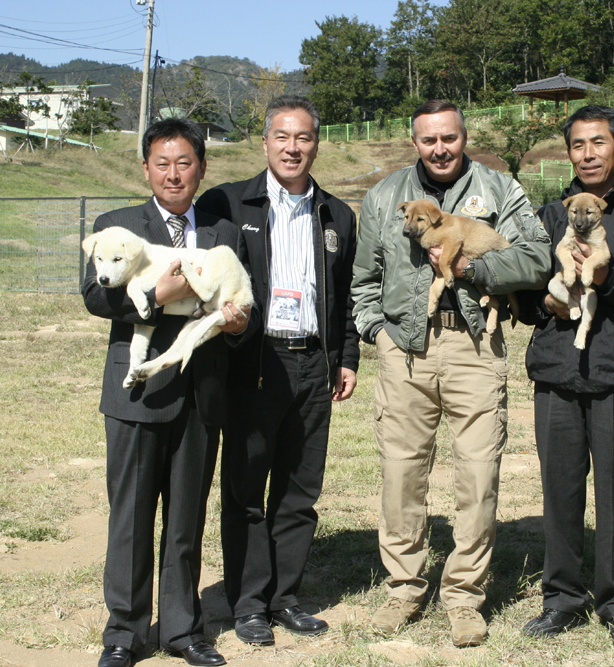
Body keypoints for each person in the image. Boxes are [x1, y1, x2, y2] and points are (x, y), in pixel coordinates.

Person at [350, 99, 551, 647]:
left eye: (449, 138)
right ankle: (404, 588)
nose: (440, 148)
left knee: (478, 474)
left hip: (474, 346)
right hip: (406, 351)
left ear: (464, 137)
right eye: (428, 139)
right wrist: (379, 333)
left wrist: (471, 267)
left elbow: (537, 257)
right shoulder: (385, 197)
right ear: (414, 142)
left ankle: (464, 597)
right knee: (401, 472)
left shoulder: (499, 189)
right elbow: (363, 277)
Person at [195, 96, 360, 646]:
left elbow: (344, 298)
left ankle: (285, 597)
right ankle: (247, 603)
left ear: (317, 143)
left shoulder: (336, 214)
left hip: (315, 360)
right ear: (265, 142)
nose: (293, 148)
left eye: (304, 138)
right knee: (246, 487)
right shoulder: (227, 204)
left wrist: (345, 358)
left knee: (299, 488)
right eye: (282, 137)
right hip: (253, 362)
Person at [84, 118, 248, 667]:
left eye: (184, 163)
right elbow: (94, 296)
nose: (174, 174)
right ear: (147, 167)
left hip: (202, 392)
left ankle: (182, 629)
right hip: (136, 395)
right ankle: (124, 634)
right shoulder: (118, 225)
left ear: (201, 168)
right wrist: (157, 294)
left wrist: (238, 320)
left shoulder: (223, 231)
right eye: (162, 163)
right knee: (129, 517)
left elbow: (242, 297)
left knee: (186, 517)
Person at [517, 105, 614, 648]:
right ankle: (561, 598)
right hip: (558, 373)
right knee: (559, 493)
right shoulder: (547, 215)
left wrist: (609, 279)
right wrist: (546, 305)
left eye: (598, 142)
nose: (587, 153)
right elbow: (523, 293)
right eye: (578, 144)